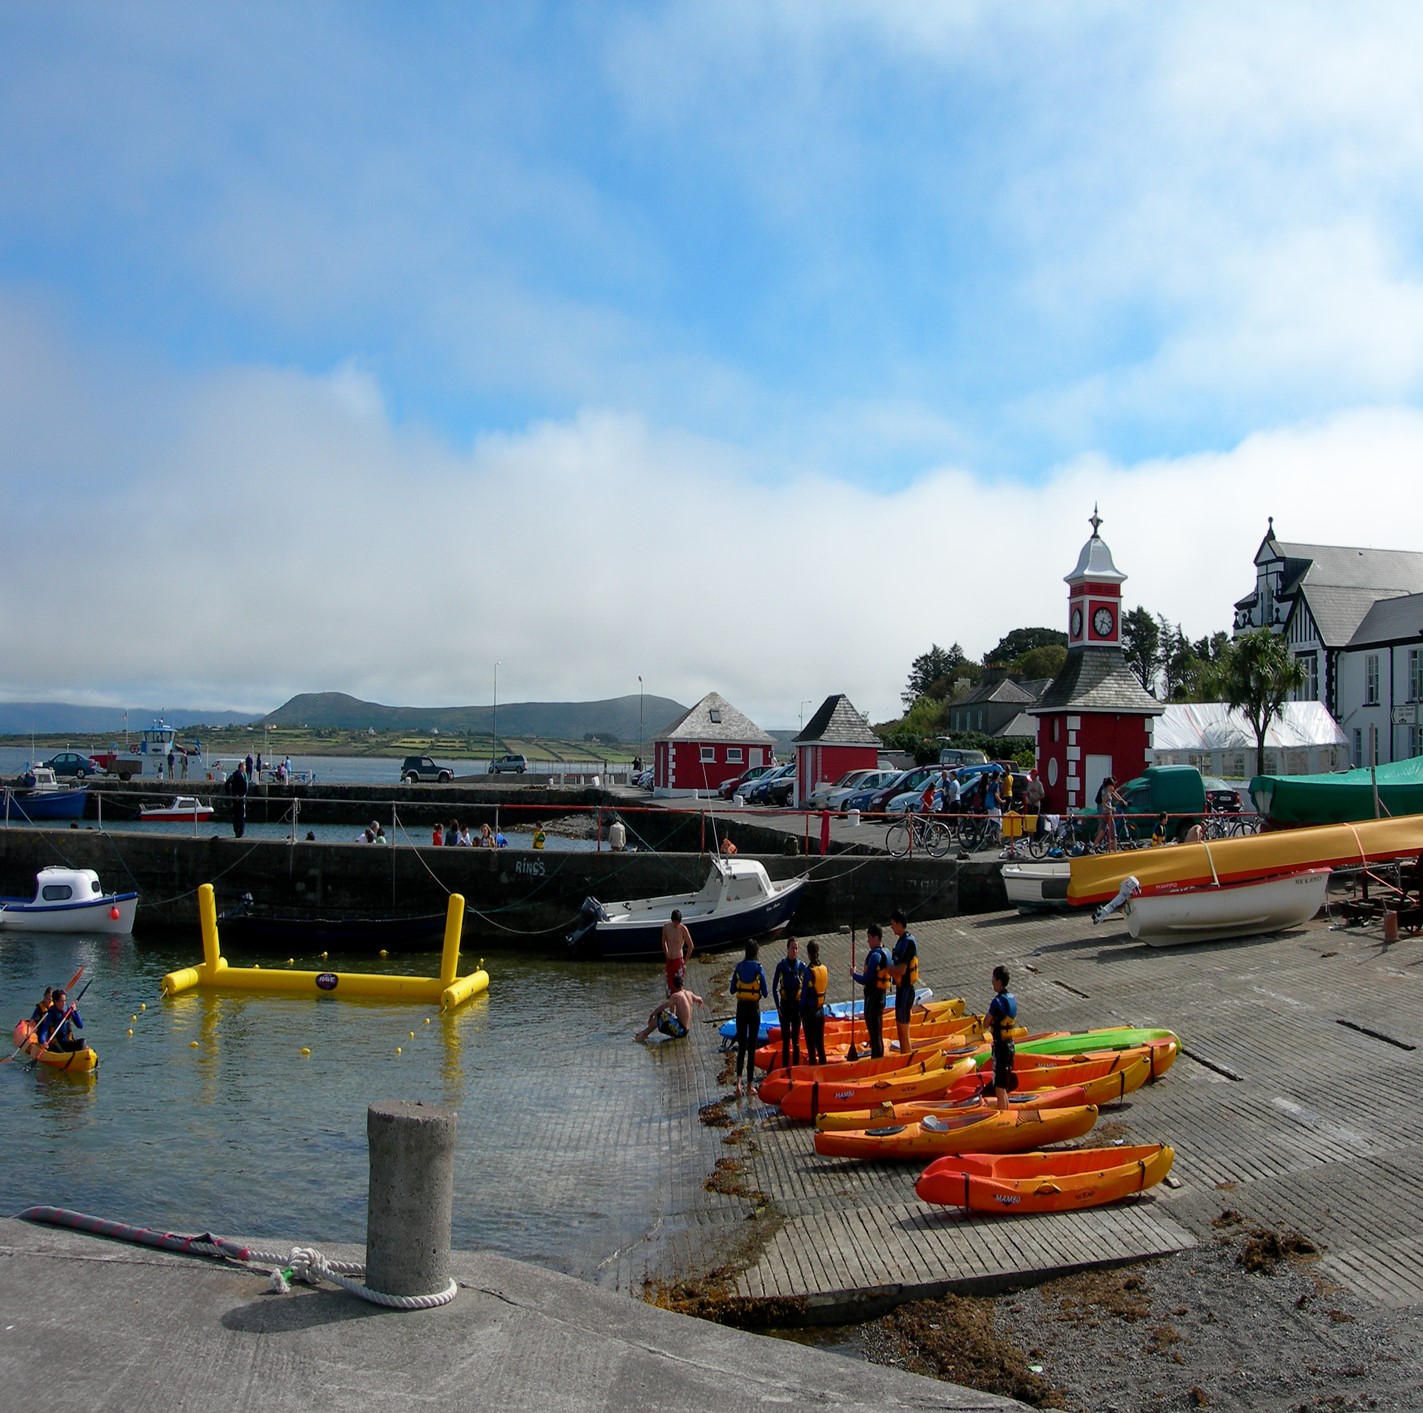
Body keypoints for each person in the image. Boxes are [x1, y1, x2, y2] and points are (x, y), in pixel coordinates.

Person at [728, 942, 768, 1097]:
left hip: (741, 1010)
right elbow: (764, 992)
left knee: (741, 1047)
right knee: (751, 1048)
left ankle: (738, 1084)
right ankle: (750, 1085)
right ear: (756, 952)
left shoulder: (739, 967)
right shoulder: (759, 968)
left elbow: (732, 990)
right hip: (753, 1010)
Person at [850, 923, 892, 1059]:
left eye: (869, 938)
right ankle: (877, 1058)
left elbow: (866, 979)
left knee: (875, 1035)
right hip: (880, 998)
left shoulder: (876, 956)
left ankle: (876, 1061)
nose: (867, 941)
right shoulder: (886, 951)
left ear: (875, 938)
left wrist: (853, 974)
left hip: (873, 1000)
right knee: (876, 1034)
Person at [886, 909, 919, 1056]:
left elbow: (902, 970)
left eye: (893, 924)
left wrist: (890, 969)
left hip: (906, 989)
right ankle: (904, 1054)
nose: (891, 927)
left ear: (899, 924)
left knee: (903, 1025)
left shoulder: (908, 942)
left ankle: (907, 1055)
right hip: (900, 989)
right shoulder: (901, 941)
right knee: (899, 1024)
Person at [633, 977, 704, 1043]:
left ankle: (642, 1036)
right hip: (686, 1030)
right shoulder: (689, 993)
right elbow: (700, 999)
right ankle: (643, 1033)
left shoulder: (676, 996)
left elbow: (661, 1007)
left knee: (659, 1015)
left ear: (673, 986)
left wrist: (652, 1015)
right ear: (682, 984)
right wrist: (700, 1003)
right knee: (664, 1015)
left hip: (681, 1031)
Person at [986, 965, 1017, 1111]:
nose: (992, 982)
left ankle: (1003, 1118)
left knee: (998, 1087)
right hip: (1010, 1046)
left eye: (993, 978)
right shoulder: (1011, 999)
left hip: (1001, 1048)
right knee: (1003, 1086)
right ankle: (1005, 1112)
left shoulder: (997, 1001)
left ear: (998, 981)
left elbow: (986, 1022)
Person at [771, 937, 804, 1069]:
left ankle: (795, 1068)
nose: (794, 951)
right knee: (785, 1041)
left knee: (795, 1041)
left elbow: (807, 988)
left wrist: (803, 1008)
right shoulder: (781, 966)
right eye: (792, 948)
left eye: (796, 948)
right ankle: (785, 1068)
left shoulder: (801, 967)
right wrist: (777, 1007)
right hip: (784, 1007)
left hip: (796, 1007)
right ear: (787, 949)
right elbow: (773, 988)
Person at [799, 940, 828, 1065]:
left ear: (809, 954)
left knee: (811, 1049)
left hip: (810, 1015)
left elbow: (804, 995)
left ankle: (814, 1077)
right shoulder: (824, 969)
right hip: (821, 1012)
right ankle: (824, 1073)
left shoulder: (808, 972)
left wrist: (801, 1013)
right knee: (821, 1047)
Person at [36, 988, 84, 1053]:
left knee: (82, 1042)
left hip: (67, 1042)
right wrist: (43, 1042)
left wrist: (75, 1011)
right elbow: (44, 1031)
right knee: (56, 1047)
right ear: (55, 1002)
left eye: (65, 1001)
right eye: (61, 1001)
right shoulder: (51, 1014)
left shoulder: (68, 1010)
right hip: (56, 1044)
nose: (63, 1003)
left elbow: (80, 1025)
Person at [661, 908, 694, 994]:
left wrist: (685, 963)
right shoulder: (666, 927)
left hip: (678, 960)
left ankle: (681, 1006)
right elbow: (663, 941)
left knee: (678, 988)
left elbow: (691, 946)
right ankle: (672, 1006)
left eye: (677, 922)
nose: (676, 924)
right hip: (669, 960)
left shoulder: (683, 929)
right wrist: (666, 953)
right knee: (669, 988)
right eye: (675, 922)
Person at [1095, 775, 1125, 852]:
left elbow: (1114, 793)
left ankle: (1096, 846)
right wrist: (1112, 808)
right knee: (1109, 831)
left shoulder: (1107, 790)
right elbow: (1105, 802)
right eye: (1113, 785)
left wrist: (1122, 800)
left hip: (1106, 811)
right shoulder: (1106, 791)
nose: (1113, 787)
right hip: (1104, 811)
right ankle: (1112, 849)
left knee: (1103, 830)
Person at [227, 759, 248, 838]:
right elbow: (245, 787)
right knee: (241, 815)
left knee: (235, 815)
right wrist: (241, 795)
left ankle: (236, 831)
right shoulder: (242, 776)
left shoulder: (233, 775)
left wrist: (231, 794)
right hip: (241, 799)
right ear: (241, 767)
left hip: (234, 798)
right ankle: (241, 832)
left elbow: (227, 783)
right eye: (244, 767)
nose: (245, 768)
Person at [1024, 769, 1046, 839]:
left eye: (1032, 775)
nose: (1031, 776)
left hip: (1036, 804)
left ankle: (1036, 836)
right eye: (1031, 774)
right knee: (1030, 820)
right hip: (1030, 803)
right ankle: (1030, 836)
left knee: (1035, 820)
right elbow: (1027, 792)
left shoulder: (1039, 784)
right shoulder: (1030, 783)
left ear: (1036, 775)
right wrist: (1028, 798)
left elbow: (1042, 795)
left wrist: (1035, 800)